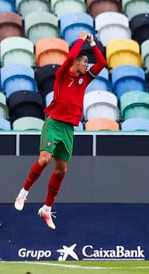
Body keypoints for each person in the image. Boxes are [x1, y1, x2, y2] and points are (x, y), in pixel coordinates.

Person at [13, 31, 107, 229]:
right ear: (76, 63)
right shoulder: (62, 74)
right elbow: (72, 56)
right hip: (54, 123)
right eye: (84, 62)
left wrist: (93, 44)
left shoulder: (85, 79)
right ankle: (23, 193)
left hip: (68, 129)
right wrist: (81, 40)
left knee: (61, 170)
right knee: (44, 159)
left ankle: (46, 209)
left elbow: (102, 64)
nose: (87, 65)